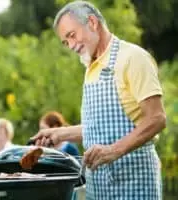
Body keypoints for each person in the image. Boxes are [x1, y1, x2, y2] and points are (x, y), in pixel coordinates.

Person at [32, 1, 166, 199]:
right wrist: (60, 134)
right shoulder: (90, 68)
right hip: (98, 187)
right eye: (66, 42)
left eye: (71, 35)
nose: (71, 45)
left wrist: (113, 151)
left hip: (134, 182)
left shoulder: (133, 58)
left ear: (93, 23)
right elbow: (100, 128)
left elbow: (157, 119)